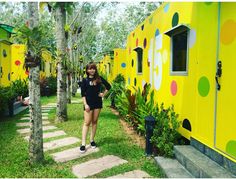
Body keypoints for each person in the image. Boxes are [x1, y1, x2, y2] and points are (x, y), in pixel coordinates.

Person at [80, 62, 111, 153]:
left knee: (94, 122)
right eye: (90, 68)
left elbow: (108, 86)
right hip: (88, 104)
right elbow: (83, 94)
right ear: (87, 70)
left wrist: (103, 94)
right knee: (87, 122)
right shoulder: (85, 80)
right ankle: (83, 144)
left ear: (95, 69)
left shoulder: (99, 78)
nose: (92, 70)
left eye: (93, 68)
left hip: (97, 103)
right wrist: (85, 104)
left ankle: (92, 140)